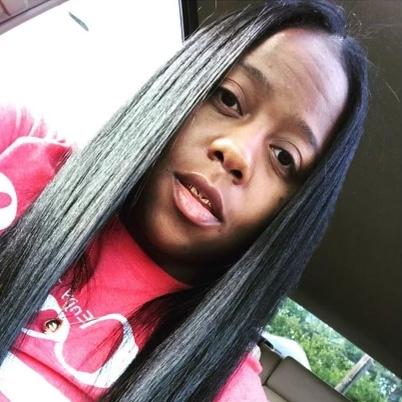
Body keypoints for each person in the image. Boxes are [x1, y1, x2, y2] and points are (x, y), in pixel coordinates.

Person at [0, 0, 368, 401]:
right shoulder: (14, 144)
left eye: (284, 157)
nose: (236, 153)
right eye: (229, 98)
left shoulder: (224, 390)